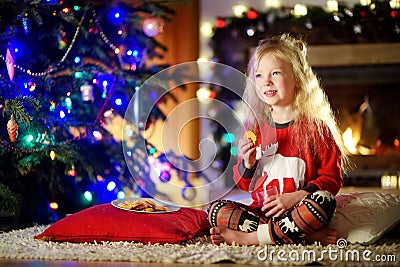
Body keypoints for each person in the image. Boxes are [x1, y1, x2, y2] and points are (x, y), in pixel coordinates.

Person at [207, 33, 350, 246]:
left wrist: (297, 196)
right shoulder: (254, 128)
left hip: (302, 209)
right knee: (215, 210)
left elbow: (332, 180)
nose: (266, 82)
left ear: (297, 79)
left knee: (324, 201)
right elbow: (245, 184)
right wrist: (248, 164)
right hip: (263, 212)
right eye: (259, 75)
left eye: (276, 73)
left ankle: (253, 238)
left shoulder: (316, 129)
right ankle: (300, 235)